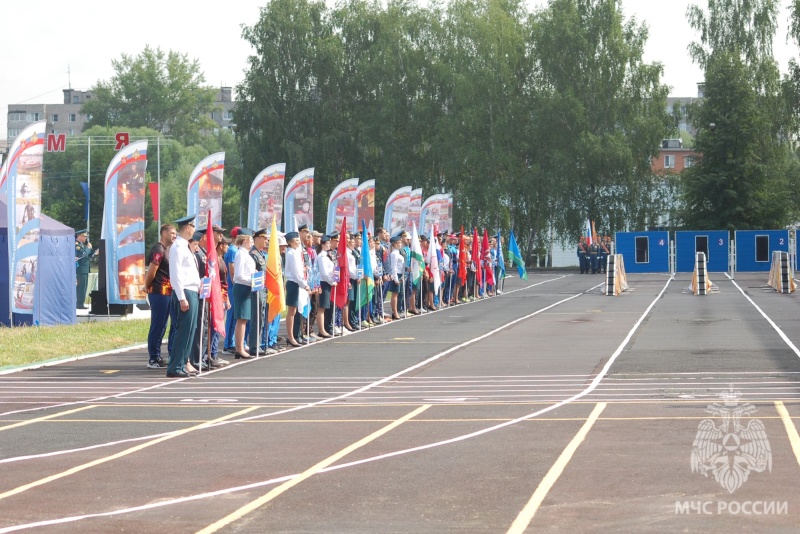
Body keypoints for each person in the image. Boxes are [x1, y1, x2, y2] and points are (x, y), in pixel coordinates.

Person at [166, 215, 200, 378]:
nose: (194, 230)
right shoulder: (178, 247)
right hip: (184, 291)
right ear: (187, 228)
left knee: (190, 330)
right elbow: (176, 275)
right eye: (193, 227)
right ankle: (175, 366)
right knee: (183, 330)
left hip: (192, 290)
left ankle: (182, 363)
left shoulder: (185, 246)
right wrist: (181, 297)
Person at [144, 224, 176, 369]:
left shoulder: (168, 250)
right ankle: (153, 358)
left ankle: (157, 355)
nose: (174, 235)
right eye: (172, 233)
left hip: (168, 292)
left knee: (163, 325)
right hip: (159, 292)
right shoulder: (158, 250)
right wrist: (147, 286)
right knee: (158, 325)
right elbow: (151, 272)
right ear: (164, 233)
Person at [232, 230, 256, 359]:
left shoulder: (245, 254)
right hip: (242, 287)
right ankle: (239, 348)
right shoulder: (240, 254)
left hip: (247, 287)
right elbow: (239, 275)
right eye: (251, 240)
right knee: (241, 319)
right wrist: (252, 280)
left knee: (244, 319)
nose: (252, 243)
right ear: (245, 240)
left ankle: (241, 346)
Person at [284, 231, 311, 346]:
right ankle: (291, 337)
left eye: (298, 239)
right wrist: (304, 285)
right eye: (296, 240)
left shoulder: (295, 252)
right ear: (290, 242)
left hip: (296, 282)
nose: (298, 241)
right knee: (292, 311)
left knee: (294, 311)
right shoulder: (292, 253)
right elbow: (296, 273)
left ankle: (293, 336)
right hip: (294, 283)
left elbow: (299, 270)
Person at [248, 228, 269, 356]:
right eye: (264, 238)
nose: (266, 241)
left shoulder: (260, 254)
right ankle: (254, 346)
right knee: (256, 318)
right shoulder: (253, 254)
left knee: (261, 317)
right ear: (258, 238)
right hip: (256, 291)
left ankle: (259, 343)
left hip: (262, 289)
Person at [315, 235, 335, 338]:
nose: (329, 245)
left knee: (327, 306)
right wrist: (332, 282)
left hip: (328, 282)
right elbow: (324, 273)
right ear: (322, 245)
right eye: (327, 243)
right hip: (324, 282)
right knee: (322, 307)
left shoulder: (326, 255)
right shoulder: (322, 257)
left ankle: (325, 328)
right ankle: (322, 330)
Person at [75, 229, 94, 309]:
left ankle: (80, 303)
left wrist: (93, 251)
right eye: (85, 236)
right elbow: (83, 254)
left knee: (84, 287)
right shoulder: (77, 245)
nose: (86, 238)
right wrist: (88, 248)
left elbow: (88, 255)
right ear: (80, 236)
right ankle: (79, 304)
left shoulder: (82, 245)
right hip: (80, 270)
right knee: (81, 287)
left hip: (84, 270)